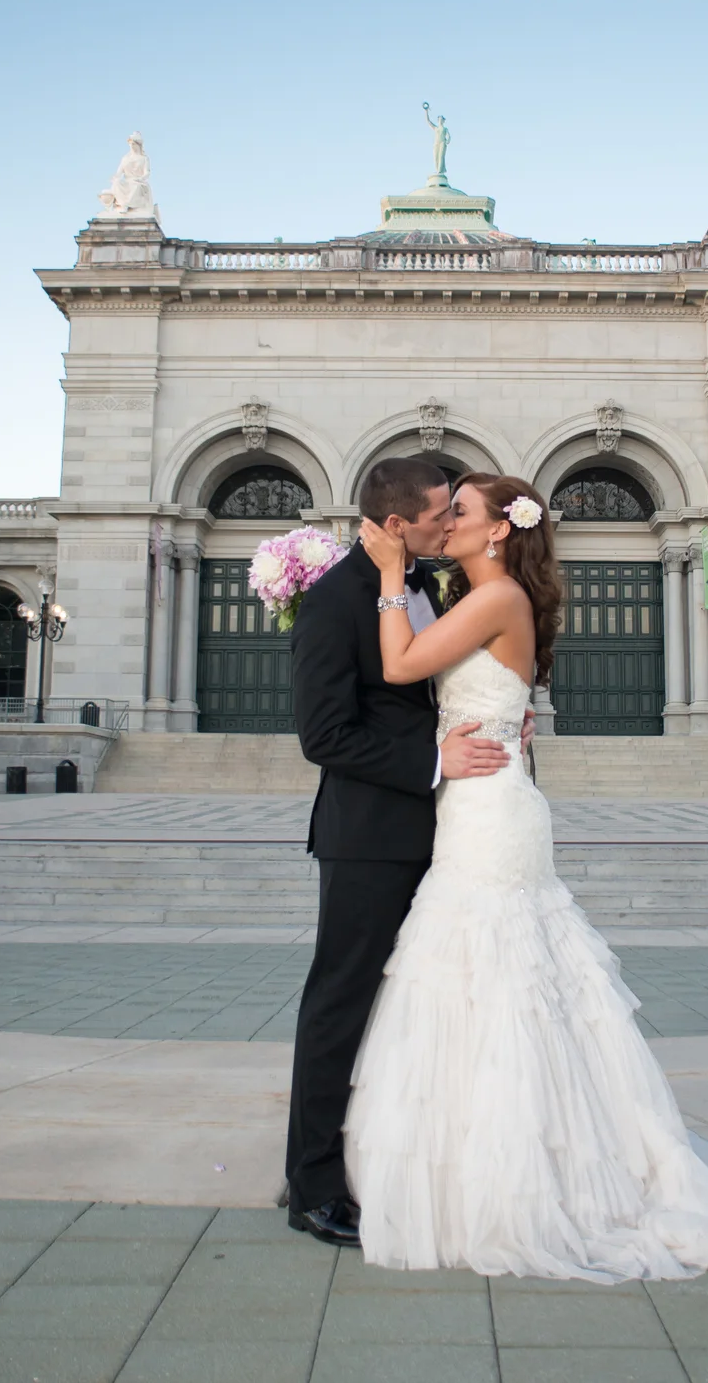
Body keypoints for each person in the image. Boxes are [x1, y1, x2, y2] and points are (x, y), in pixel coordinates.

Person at [346, 472, 708, 1283]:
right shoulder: (483, 599)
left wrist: (388, 575)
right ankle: (495, 1147)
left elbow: (400, 665)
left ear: (499, 531)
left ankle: (526, 1167)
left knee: (501, 973)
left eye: (462, 511)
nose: (445, 522)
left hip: (491, 817)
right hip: (477, 800)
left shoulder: (497, 599)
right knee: (488, 977)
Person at [283, 456, 519, 1247]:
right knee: (340, 1005)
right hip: (368, 840)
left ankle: (391, 1160)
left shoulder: (431, 585)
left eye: (455, 512)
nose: (448, 524)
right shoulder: (332, 601)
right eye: (438, 515)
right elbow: (324, 736)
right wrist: (432, 761)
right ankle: (312, 1186)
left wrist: (496, 717)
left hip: (451, 833)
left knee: (419, 1004)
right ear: (395, 524)